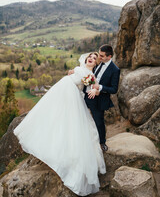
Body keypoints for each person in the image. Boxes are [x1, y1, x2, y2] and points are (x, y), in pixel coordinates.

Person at [14, 52, 106, 196]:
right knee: (53, 116)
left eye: (95, 59)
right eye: (90, 56)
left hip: (73, 97)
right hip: (61, 92)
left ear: (96, 64)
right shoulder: (78, 68)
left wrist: (95, 89)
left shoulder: (91, 75)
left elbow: (95, 87)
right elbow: (72, 74)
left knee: (70, 124)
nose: (91, 59)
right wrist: (73, 72)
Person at [85, 45, 120, 151]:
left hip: (100, 99)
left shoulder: (115, 70)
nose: (99, 57)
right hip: (86, 95)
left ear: (109, 57)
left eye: (101, 56)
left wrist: (99, 88)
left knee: (99, 121)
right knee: (82, 117)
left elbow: (114, 89)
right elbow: (89, 74)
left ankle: (102, 142)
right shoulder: (98, 62)